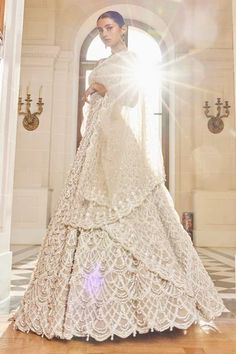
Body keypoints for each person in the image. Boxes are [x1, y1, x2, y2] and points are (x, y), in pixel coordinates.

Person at [9, 10, 226, 342]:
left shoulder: (132, 58)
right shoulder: (103, 60)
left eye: (109, 28)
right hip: (97, 147)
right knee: (87, 221)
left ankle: (149, 308)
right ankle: (90, 304)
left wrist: (99, 86)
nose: (104, 34)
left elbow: (134, 97)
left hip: (121, 145)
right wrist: (96, 90)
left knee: (125, 213)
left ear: (123, 30)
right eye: (99, 30)